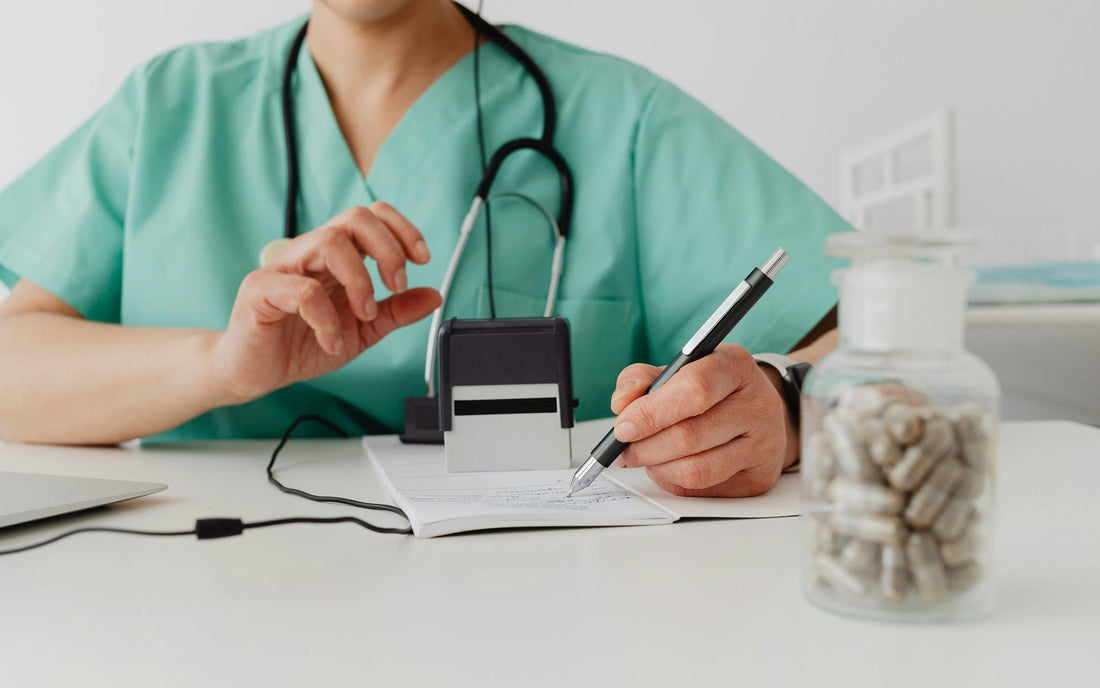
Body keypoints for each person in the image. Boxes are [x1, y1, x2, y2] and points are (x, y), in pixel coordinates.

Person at [0, 0, 844, 498]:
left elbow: (876, 326)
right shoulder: (168, 108)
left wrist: (786, 401)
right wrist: (222, 368)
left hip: (551, 614)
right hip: (220, 609)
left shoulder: (622, 117)